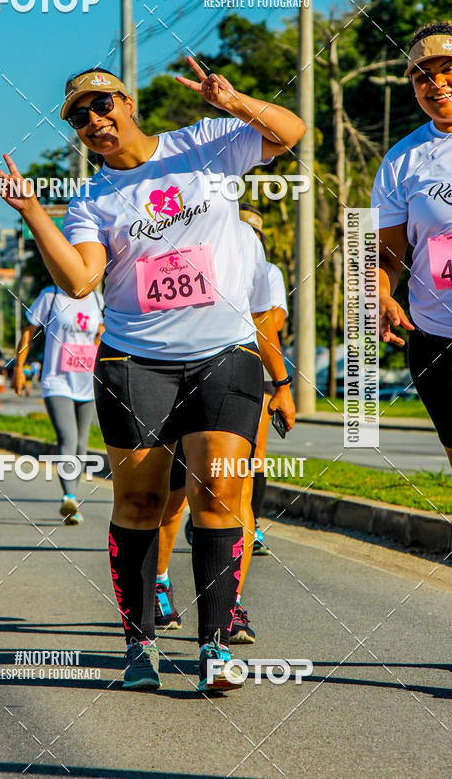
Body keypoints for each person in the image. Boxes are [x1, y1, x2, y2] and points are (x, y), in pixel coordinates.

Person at [0, 59, 303, 692]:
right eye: (79, 117)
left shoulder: (204, 145)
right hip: (135, 360)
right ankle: (140, 645)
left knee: (219, 493)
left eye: (102, 106)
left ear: (127, 104)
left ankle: (215, 646)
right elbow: (78, 280)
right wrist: (30, 210)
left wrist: (235, 99)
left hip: (226, 352)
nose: (95, 122)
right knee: (140, 501)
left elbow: (289, 132)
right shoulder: (91, 200)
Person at [156, 207, 292, 645]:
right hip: (167, 375)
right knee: (171, 498)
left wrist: (283, 384)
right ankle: (158, 584)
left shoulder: (260, 264)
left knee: (238, 497)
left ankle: (227, 605)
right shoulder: (168, 241)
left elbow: (266, 323)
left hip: (239, 374)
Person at [372, 22, 452, 466]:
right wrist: (382, 295)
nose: (436, 84)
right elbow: (386, 254)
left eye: (447, 70)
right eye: (423, 77)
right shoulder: (402, 160)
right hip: (436, 336)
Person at [14, 284, 104, 524]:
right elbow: (28, 331)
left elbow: (102, 335)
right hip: (57, 380)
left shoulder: (97, 299)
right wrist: (18, 369)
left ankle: (72, 501)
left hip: (87, 382)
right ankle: (69, 496)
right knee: (68, 438)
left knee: (82, 444)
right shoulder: (50, 295)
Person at [239, 204, 289, 555]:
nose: (250, 235)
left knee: (253, 453)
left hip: (256, 370)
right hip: (209, 364)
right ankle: (202, 518)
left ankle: (252, 526)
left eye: (256, 231)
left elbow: (276, 318)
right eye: (243, 227)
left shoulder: (268, 271)